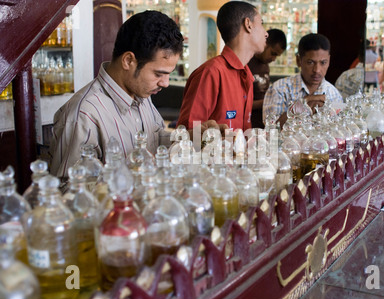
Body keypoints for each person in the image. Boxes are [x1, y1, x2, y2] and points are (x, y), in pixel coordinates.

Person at [49, 10, 221, 182]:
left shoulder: (142, 95)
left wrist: (191, 138)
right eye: (158, 74)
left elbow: (155, 141)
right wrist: (129, 175)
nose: (165, 83)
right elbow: (68, 192)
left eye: (168, 74)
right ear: (128, 61)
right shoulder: (84, 114)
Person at [176, 1, 268, 131]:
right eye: (261, 24)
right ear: (248, 24)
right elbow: (186, 135)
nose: (266, 33)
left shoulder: (246, 74)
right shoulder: (211, 72)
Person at [262, 33, 343, 127]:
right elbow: (271, 129)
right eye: (310, 62)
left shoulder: (334, 94)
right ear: (298, 60)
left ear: (329, 61)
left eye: (323, 63)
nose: (317, 70)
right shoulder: (280, 89)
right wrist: (302, 104)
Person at [248, 28, 287, 128]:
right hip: (249, 123)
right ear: (265, 44)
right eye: (273, 53)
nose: (273, 59)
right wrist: (267, 101)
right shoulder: (247, 63)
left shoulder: (265, 66)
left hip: (263, 122)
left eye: (277, 56)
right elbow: (240, 103)